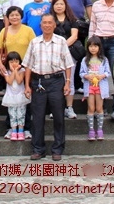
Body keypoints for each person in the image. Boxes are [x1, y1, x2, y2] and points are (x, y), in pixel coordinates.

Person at [23, 13, 73, 161]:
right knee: (37, 117)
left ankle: (57, 148)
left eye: (50, 22)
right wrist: (26, 85)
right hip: (38, 82)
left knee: (58, 116)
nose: (47, 25)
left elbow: (68, 64)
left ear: (54, 25)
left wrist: (68, 82)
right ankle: (38, 149)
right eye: (44, 23)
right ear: (40, 25)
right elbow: (28, 66)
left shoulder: (61, 41)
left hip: (56, 81)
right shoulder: (34, 42)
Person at [0, 6, 35, 139]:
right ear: (7, 17)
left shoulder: (28, 30)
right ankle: (10, 127)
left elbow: (34, 47)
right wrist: (0, 65)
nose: (14, 17)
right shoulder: (4, 31)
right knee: (11, 98)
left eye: (17, 15)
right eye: (11, 15)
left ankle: (26, 128)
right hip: (9, 69)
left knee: (26, 98)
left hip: (26, 68)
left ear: (21, 16)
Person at [52, 0, 80, 119]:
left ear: (65, 5)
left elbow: (74, 36)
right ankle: (56, 108)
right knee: (55, 82)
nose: (59, 6)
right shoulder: (49, 19)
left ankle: (69, 107)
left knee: (69, 80)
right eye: (56, 4)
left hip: (70, 52)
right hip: (53, 53)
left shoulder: (72, 19)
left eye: (61, 4)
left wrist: (62, 46)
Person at [80, 36, 110, 141]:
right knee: (91, 108)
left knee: (99, 108)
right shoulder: (85, 60)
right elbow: (81, 73)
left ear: (99, 47)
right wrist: (87, 76)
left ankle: (100, 130)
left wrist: (102, 76)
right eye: (91, 46)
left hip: (100, 87)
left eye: (95, 46)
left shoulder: (104, 60)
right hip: (89, 86)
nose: (93, 48)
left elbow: (108, 72)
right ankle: (91, 130)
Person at [1, 51, 29, 141]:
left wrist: (16, 70)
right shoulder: (6, 72)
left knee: (21, 114)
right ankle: (13, 131)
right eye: (11, 62)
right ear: (8, 63)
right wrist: (12, 71)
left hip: (20, 96)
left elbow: (19, 80)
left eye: (16, 61)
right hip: (11, 97)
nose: (14, 64)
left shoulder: (22, 70)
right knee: (12, 114)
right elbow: (9, 81)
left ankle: (20, 131)